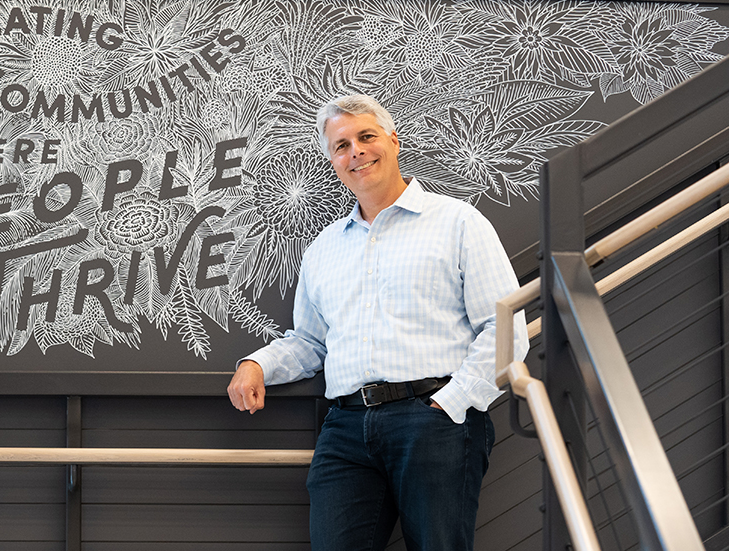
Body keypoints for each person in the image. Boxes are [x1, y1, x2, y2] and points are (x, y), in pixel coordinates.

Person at [227, 95, 530, 551]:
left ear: (393, 141)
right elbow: (310, 342)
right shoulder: (324, 249)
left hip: (433, 419)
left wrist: (453, 402)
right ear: (332, 161)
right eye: (341, 145)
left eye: (366, 136)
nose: (356, 151)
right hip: (346, 428)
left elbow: (505, 328)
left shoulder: (458, 222)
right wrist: (256, 365)